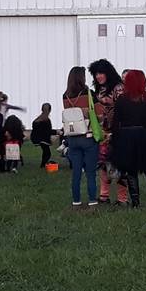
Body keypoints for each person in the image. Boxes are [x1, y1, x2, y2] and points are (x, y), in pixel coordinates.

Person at [111, 70, 146, 208]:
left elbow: (115, 123)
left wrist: (116, 140)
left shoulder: (122, 100)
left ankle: (135, 203)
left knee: (131, 172)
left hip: (126, 138)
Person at [88, 59, 128, 206]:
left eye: (101, 73)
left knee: (120, 165)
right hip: (102, 132)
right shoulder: (99, 89)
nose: (98, 76)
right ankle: (104, 196)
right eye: (95, 73)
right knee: (103, 164)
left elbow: (124, 110)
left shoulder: (118, 88)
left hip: (118, 132)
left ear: (108, 73)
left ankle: (122, 198)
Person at [62, 66, 99, 208]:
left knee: (76, 172)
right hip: (88, 137)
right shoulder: (89, 93)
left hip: (72, 137)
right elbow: (99, 113)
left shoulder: (65, 96)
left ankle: (76, 201)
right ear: (81, 78)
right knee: (90, 172)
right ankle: (92, 201)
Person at [31, 103, 56, 168]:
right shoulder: (46, 120)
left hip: (36, 138)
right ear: (50, 110)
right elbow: (48, 131)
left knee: (46, 152)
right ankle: (43, 165)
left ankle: (43, 164)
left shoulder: (37, 119)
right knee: (47, 153)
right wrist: (57, 132)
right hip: (43, 139)